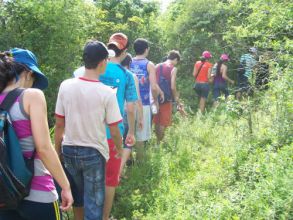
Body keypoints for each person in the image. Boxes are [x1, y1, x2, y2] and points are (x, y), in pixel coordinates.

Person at [0, 48, 73, 220]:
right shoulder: (32, 96)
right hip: (38, 194)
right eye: (33, 78)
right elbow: (44, 147)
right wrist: (65, 185)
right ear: (27, 72)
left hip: (4, 195)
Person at [54, 41, 123, 220]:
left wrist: (57, 150)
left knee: (77, 199)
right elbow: (114, 129)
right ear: (101, 63)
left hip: (68, 150)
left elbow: (59, 124)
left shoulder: (65, 86)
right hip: (94, 153)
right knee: (94, 204)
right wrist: (119, 149)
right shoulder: (107, 92)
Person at [99, 33, 138, 220]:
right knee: (110, 180)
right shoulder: (126, 75)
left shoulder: (92, 68)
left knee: (90, 178)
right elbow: (130, 108)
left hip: (87, 133)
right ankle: (105, 217)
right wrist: (131, 131)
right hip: (113, 134)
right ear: (125, 52)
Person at [130, 38, 163, 161]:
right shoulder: (149, 64)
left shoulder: (129, 62)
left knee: (129, 131)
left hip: (128, 103)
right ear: (146, 49)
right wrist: (154, 101)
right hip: (143, 103)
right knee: (140, 134)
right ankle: (140, 161)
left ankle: (129, 161)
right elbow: (154, 87)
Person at [120, 53, 143, 176]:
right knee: (128, 141)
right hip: (128, 112)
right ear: (129, 64)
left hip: (114, 112)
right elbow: (137, 99)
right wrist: (141, 117)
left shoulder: (109, 73)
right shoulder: (132, 76)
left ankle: (116, 168)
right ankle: (120, 170)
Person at [153, 50, 182, 143]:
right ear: (175, 59)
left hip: (155, 96)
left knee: (157, 120)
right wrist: (176, 98)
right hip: (166, 98)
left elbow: (153, 82)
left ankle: (157, 141)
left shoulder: (157, 65)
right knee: (163, 122)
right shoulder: (173, 68)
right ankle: (159, 142)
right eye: (177, 61)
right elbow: (173, 86)